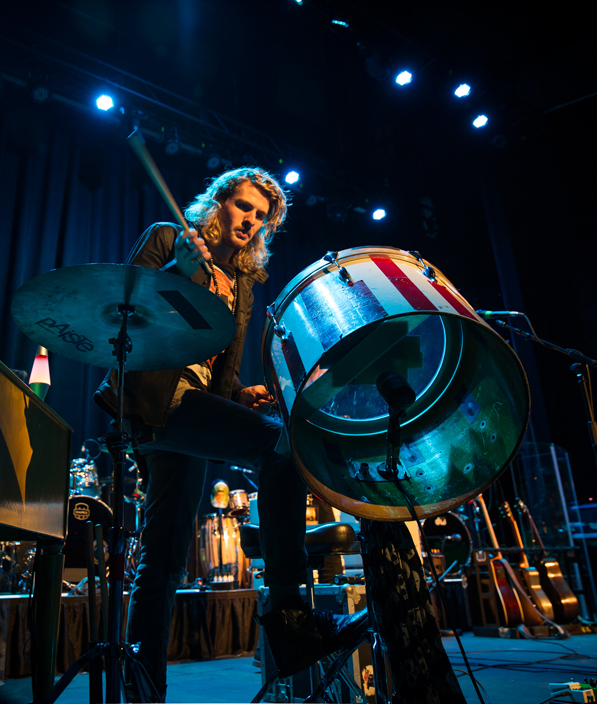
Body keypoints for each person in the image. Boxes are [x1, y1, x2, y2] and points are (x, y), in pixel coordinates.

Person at [94, 167, 367, 700]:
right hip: (154, 401)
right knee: (279, 448)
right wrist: (178, 269)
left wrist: (241, 394)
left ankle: (142, 688)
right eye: (244, 207)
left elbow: (218, 375)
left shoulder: (242, 281)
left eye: (262, 218)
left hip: (194, 409)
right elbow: (125, 318)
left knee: (165, 558)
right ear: (218, 203)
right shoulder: (168, 239)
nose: (252, 221)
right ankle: (289, 617)